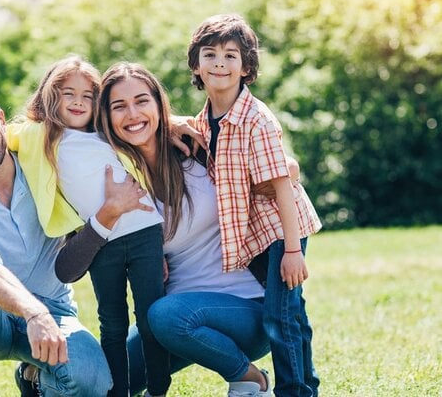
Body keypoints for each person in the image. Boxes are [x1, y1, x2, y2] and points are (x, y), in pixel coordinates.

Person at [0, 56, 171, 397]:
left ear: (0, 119)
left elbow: (131, 123)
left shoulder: (42, 163)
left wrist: (181, 124)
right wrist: (32, 313)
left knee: (94, 383)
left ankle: (34, 378)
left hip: (55, 312)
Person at [55, 62, 305, 397]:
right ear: (105, 116)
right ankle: (34, 378)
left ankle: (250, 379)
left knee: (163, 314)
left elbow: (285, 168)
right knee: (104, 381)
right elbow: (69, 264)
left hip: (245, 307)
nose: (132, 114)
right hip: (169, 321)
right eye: (119, 106)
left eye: (142, 101)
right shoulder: (111, 175)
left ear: (159, 104)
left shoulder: (196, 147)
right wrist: (107, 213)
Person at [186, 14, 323, 396]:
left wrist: (293, 251)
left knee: (279, 317)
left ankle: (294, 390)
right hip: (256, 234)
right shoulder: (206, 118)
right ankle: (306, 384)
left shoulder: (255, 119)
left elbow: (282, 183)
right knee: (290, 312)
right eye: (210, 54)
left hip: (280, 229)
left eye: (231, 56)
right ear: (196, 64)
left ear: (246, 67)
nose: (219, 64)